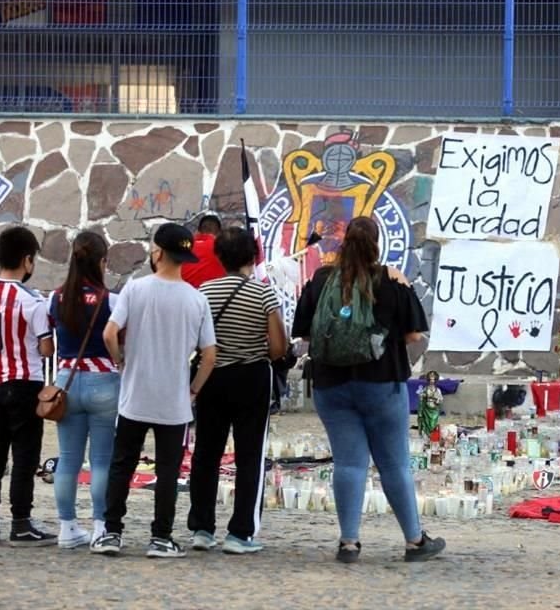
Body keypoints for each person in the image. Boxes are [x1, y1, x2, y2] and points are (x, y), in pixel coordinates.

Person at [292, 216, 445, 564]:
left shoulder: (320, 280)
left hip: (331, 384)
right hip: (381, 382)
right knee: (394, 465)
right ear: (377, 244)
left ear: (344, 242)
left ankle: (348, 543)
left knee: (348, 463)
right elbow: (413, 336)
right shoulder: (391, 280)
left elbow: (303, 333)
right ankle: (414, 540)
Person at [92, 223, 217, 558]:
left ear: (157, 252)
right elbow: (210, 355)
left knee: (123, 464)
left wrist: (121, 362)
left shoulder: (135, 289)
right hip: (173, 400)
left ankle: (111, 532)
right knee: (167, 470)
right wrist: (193, 389)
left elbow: (109, 333)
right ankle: (160, 537)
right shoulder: (197, 299)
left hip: (135, 394)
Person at [187, 227, 286, 554]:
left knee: (206, 454)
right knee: (250, 456)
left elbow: (197, 341)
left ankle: (201, 527)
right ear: (252, 257)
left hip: (212, 376)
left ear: (219, 257)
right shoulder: (263, 293)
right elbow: (277, 347)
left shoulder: (204, 291)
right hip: (251, 377)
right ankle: (241, 531)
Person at [0, 226, 56, 546]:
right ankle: (21, 522)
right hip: (25, 384)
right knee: (24, 455)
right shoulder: (32, 300)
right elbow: (46, 349)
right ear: (27, 260)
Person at [48, 232, 120, 549]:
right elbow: (117, 338)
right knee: (102, 459)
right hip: (104, 380)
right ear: (101, 262)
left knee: (68, 459)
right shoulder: (111, 300)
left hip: (66, 381)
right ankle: (101, 526)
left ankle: (67, 527)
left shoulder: (56, 298)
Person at [181, 215, 226, 288]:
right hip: (213, 294)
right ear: (219, 232)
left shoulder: (185, 245)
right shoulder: (221, 247)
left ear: (198, 230)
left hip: (186, 293)